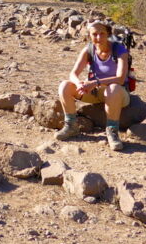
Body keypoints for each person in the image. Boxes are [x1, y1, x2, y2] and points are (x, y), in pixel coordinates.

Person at [55, 19, 130, 151]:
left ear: (108, 34)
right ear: (89, 35)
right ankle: (71, 126)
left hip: (117, 93)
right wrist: (79, 84)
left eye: (102, 33)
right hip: (95, 91)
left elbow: (120, 78)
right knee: (65, 86)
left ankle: (112, 132)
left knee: (112, 88)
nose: (98, 37)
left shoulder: (119, 50)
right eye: (94, 34)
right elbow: (73, 74)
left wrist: (95, 82)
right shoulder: (89, 49)